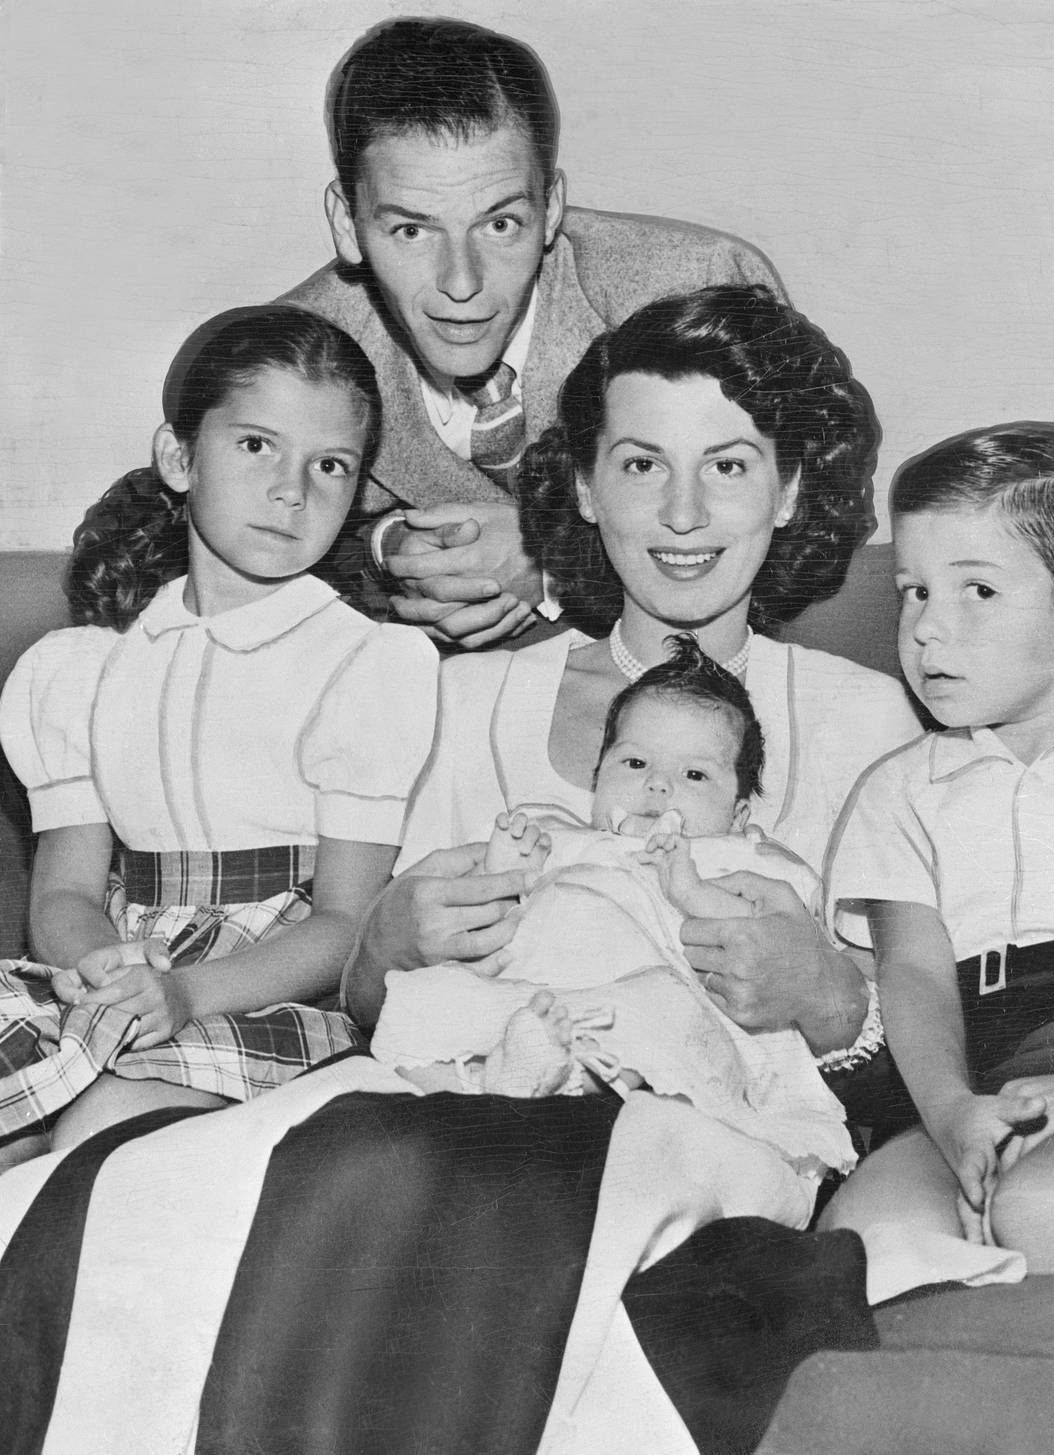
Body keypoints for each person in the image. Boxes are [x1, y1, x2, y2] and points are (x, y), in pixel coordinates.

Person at [344, 285, 923, 1078]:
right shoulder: (467, 701)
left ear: (787, 491)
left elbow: (934, 1039)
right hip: (465, 1122)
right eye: (643, 464)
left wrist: (827, 996)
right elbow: (378, 1008)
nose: (682, 513)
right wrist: (381, 946)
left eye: (727, 465)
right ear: (586, 485)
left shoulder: (861, 717)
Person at [0, 306, 438, 1162]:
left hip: (270, 991)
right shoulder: (83, 669)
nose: (291, 489)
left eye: (331, 465)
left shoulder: (365, 663)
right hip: (115, 968)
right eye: (255, 445)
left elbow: (347, 922)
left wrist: (186, 993)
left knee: (101, 1129)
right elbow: (62, 894)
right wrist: (106, 971)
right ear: (178, 456)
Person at [820, 421, 1054, 1276]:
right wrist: (954, 1113)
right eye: (913, 592)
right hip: (981, 1074)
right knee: (863, 1238)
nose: (926, 629)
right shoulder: (902, 788)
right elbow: (913, 974)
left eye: (977, 592)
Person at [280, 16, 789, 644]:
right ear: (346, 222)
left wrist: (554, 557)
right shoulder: (303, 353)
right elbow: (245, 540)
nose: (461, 283)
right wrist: (393, 552)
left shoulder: (696, 289)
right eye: (411, 230)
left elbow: (807, 523)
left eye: (500, 225)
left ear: (550, 209)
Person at [369, 635, 855, 1180]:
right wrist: (506, 863)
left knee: (650, 1027)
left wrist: (689, 886)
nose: (657, 785)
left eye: (694, 775)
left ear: (739, 813)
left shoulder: (737, 859)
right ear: (598, 779)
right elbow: (489, 913)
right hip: (534, 994)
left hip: (651, 992)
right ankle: (486, 1081)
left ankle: (556, 1081)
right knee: (437, 1008)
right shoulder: (560, 836)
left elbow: (765, 939)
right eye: (635, 761)